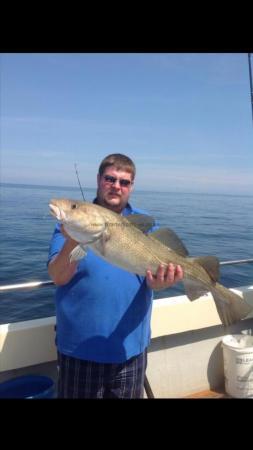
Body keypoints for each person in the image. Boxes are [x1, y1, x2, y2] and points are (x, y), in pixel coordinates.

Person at [47, 153, 183, 398]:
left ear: (131, 186)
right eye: (110, 179)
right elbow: (58, 277)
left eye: (124, 182)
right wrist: (72, 239)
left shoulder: (145, 224)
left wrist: (162, 283)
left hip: (130, 350)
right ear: (99, 179)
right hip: (80, 349)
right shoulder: (67, 228)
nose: (116, 186)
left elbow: (153, 281)